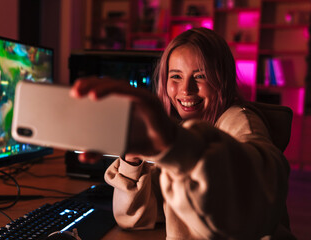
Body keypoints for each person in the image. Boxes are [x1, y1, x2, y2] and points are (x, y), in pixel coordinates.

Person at [70, 28, 295, 239]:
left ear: (223, 80)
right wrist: (131, 159)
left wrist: (177, 147)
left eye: (200, 76)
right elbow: (133, 218)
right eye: (176, 76)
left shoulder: (240, 121)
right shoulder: (178, 126)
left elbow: (257, 194)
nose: (186, 90)